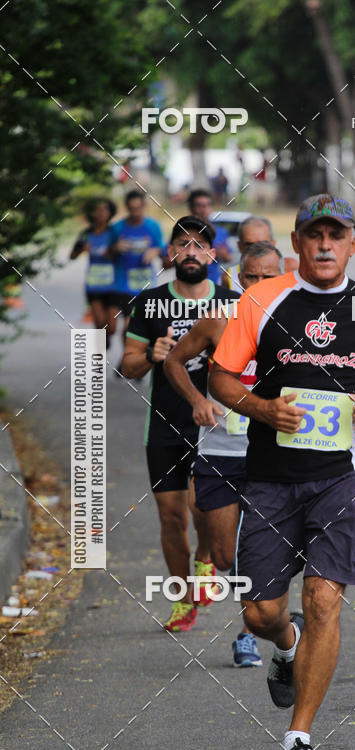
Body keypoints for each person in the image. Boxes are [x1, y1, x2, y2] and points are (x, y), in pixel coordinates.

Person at [209, 194, 355, 750]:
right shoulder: (261, 300)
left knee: (325, 597)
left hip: (345, 475)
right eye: (314, 235)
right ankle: (285, 645)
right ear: (297, 244)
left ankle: (298, 739)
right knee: (259, 612)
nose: (325, 245)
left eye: (337, 235)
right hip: (272, 477)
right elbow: (222, 375)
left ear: (353, 244)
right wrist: (262, 410)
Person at [164, 242, 284, 665]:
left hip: (272, 455)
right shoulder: (218, 321)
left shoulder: (296, 327)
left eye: (268, 277)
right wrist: (198, 399)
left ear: (284, 277)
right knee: (223, 554)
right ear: (238, 277)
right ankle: (272, 618)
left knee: (260, 550)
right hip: (219, 453)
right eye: (251, 277)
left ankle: (250, 631)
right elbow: (174, 362)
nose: (258, 285)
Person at [121, 215, 236, 632]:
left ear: (213, 254)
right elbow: (127, 365)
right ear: (171, 254)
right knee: (171, 517)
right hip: (166, 423)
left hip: (216, 425)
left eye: (200, 245)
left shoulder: (232, 301)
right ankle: (182, 598)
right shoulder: (149, 303)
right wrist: (153, 352)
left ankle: (206, 556)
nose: (191, 251)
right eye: (183, 244)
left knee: (202, 507)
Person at [110, 190, 164, 368]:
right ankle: (130, 358)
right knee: (127, 326)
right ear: (127, 208)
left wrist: (154, 251)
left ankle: (132, 358)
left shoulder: (153, 227)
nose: (135, 213)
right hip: (124, 286)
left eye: (138, 208)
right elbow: (105, 253)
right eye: (131, 209)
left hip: (146, 285)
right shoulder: (118, 228)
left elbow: (163, 249)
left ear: (144, 207)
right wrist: (115, 248)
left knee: (140, 326)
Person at [70, 198, 120, 346]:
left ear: (110, 213)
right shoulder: (86, 234)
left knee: (111, 327)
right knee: (99, 323)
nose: (100, 213)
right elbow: (72, 256)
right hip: (94, 284)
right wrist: (81, 250)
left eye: (104, 209)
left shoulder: (114, 233)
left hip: (113, 285)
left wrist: (113, 251)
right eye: (97, 210)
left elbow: (122, 253)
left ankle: (106, 339)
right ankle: (97, 359)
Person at [221, 216, 298, 293]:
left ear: (273, 244)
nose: (257, 249)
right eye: (250, 244)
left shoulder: (291, 268)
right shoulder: (229, 277)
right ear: (239, 246)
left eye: (263, 244)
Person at [186, 189, 232, 283]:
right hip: (188, 285)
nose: (204, 209)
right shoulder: (182, 232)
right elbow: (166, 262)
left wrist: (221, 253)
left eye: (208, 205)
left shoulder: (221, 232)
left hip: (213, 286)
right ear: (191, 208)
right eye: (199, 205)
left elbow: (228, 257)